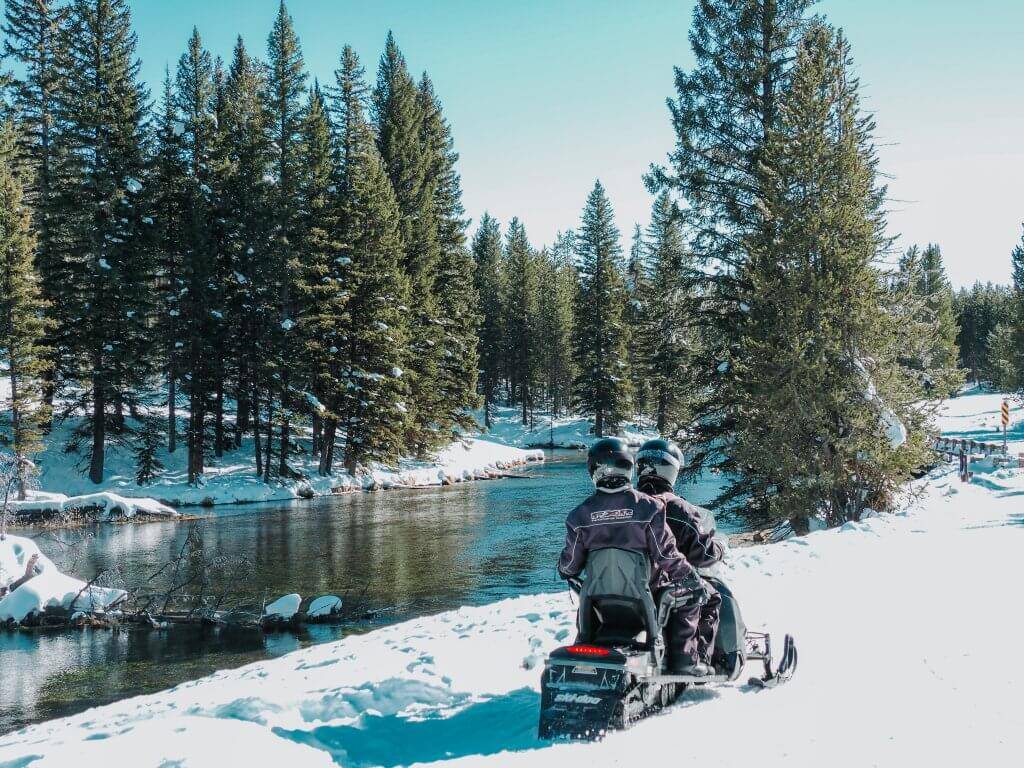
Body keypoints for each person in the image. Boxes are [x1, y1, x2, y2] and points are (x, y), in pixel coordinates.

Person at [558, 437, 711, 676]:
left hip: (599, 600)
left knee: (584, 594)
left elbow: (570, 565)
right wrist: (691, 578)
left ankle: (585, 648)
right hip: (645, 595)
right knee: (690, 597)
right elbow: (666, 554)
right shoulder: (649, 508)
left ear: (593, 471)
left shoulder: (579, 516)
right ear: (629, 468)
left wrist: (563, 569)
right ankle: (684, 662)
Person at [635, 438, 724, 669]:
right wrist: (720, 549)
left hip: (624, 587)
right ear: (671, 470)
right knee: (711, 596)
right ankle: (697, 660)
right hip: (662, 586)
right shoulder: (678, 508)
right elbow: (703, 554)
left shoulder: (628, 503)